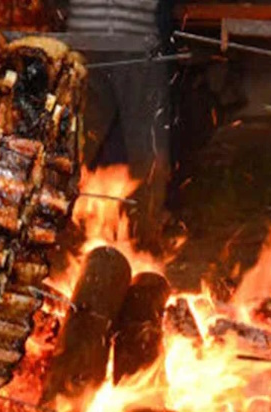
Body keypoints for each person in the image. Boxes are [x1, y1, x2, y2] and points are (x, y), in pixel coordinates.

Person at [67, 0, 175, 254]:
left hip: (124, 40)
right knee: (74, 142)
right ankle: (55, 226)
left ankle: (143, 238)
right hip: (97, 39)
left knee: (77, 139)